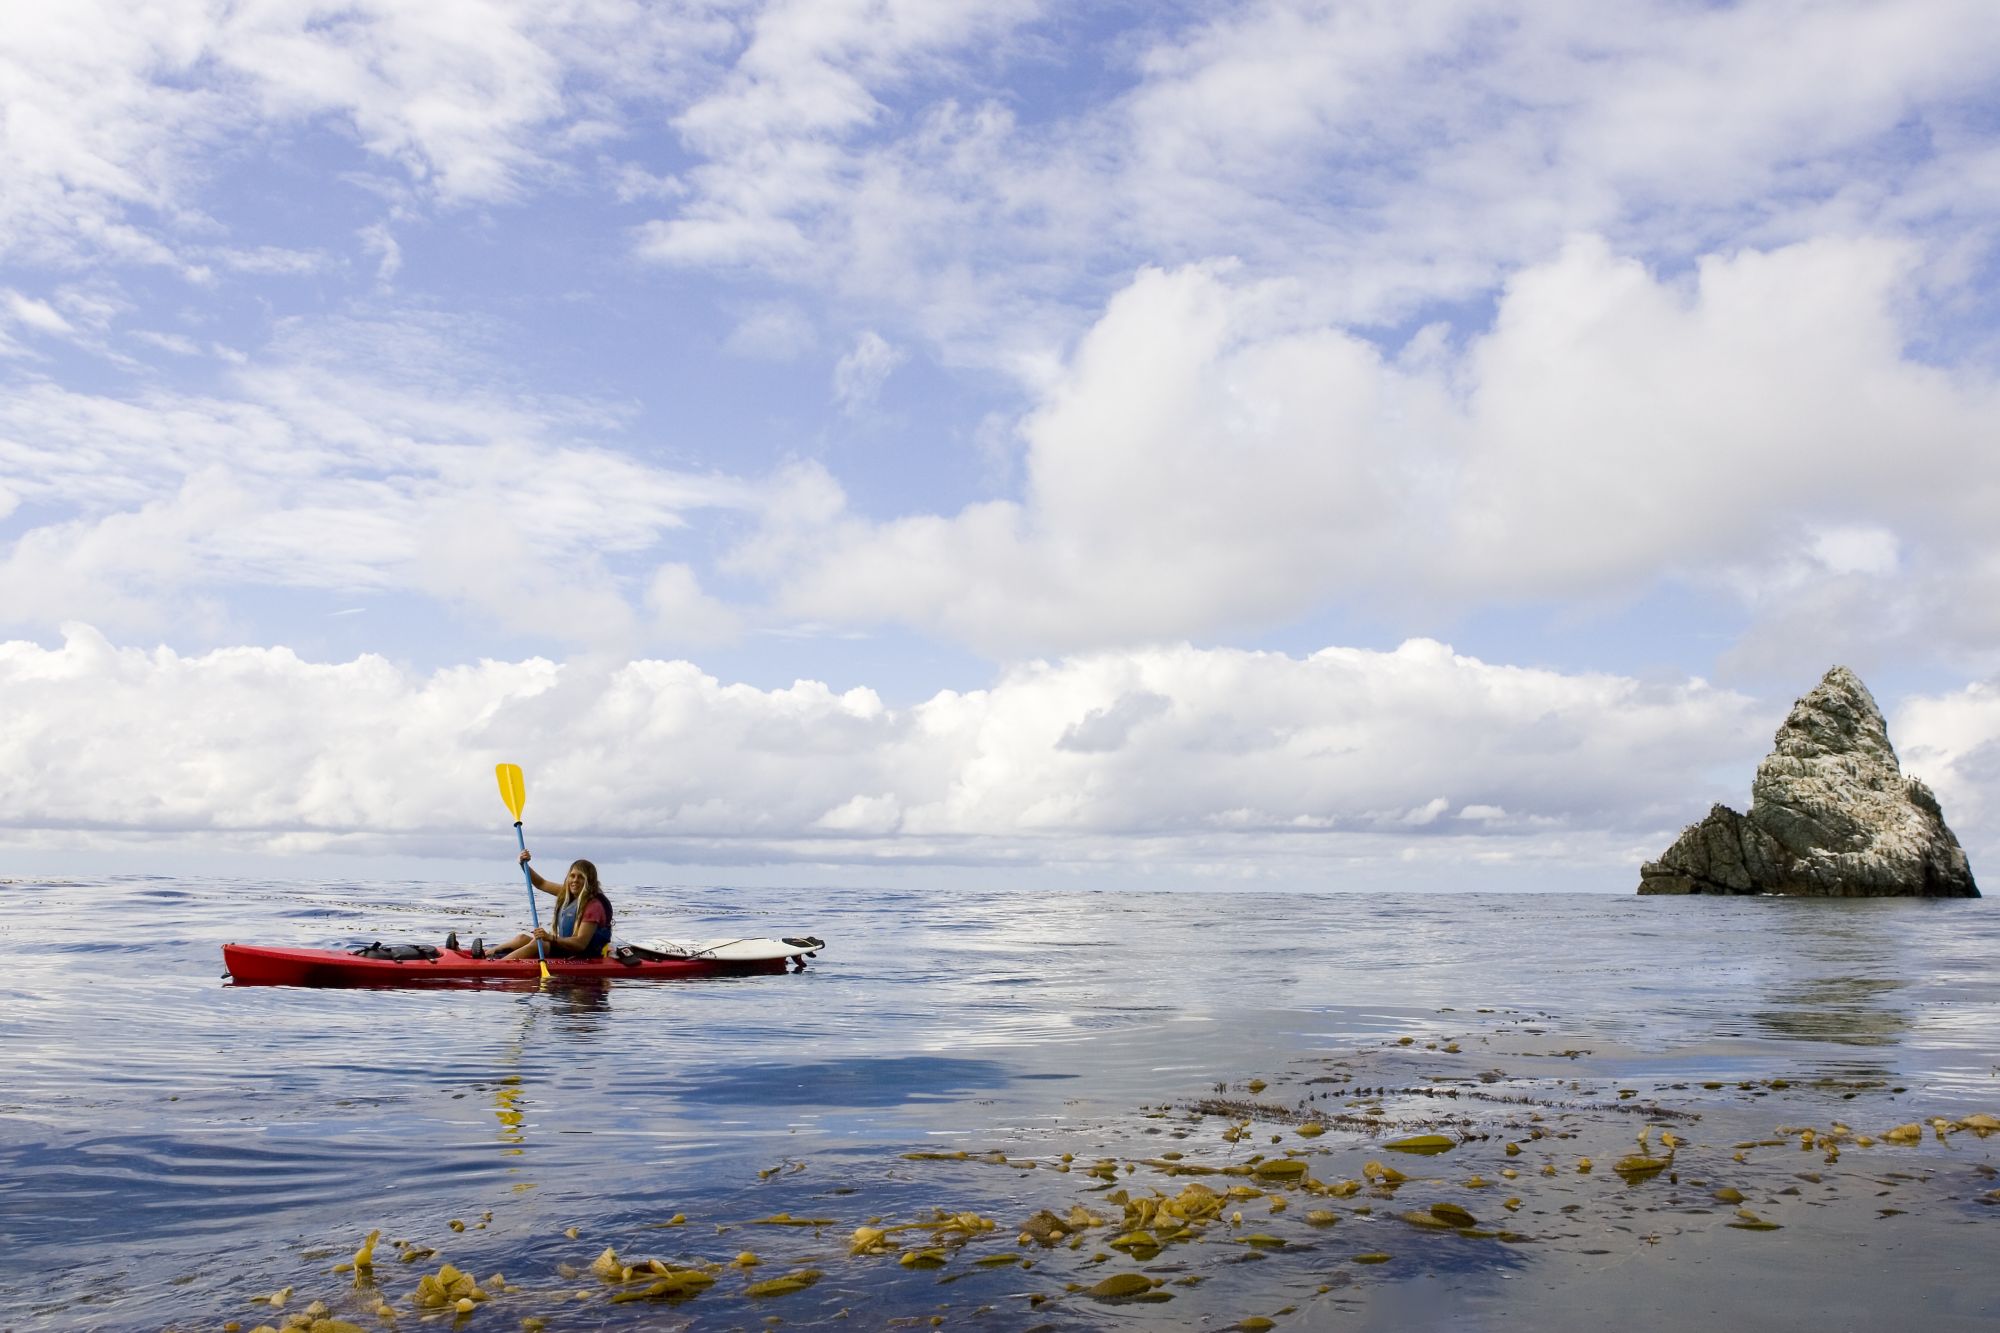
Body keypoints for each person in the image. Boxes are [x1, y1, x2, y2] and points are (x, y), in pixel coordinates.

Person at [490, 849, 614, 960]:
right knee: (522, 938)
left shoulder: (593, 906)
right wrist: (523, 864)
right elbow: (541, 883)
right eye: (572, 876)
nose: (575, 880)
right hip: (565, 948)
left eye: (581, 877)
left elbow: (580, 944)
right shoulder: (567, 893)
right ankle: (485, 954)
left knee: (538, 944)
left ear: (590, 881)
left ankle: (496, 966)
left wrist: (550, 938)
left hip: (582, 954)